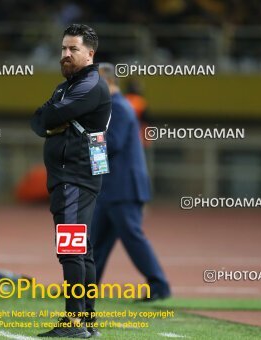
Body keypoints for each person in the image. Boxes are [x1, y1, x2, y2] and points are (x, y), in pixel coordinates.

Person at [31, 24, 111, 338]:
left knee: (71, 250)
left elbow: (46, 118)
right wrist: (49, 118)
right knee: (82, 249)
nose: (66, 54)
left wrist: (52, 119)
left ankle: (74, 322)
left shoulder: (90, 86)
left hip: (74, 178)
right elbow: (38, 120)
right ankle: (87, 321)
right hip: (72, 177)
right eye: (63, 49)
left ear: (90, 53)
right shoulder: (67, 87)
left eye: (73, 49)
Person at [91, 63, 171, 301]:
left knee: (132, 238)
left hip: (123, 188)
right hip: (111, 188)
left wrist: (87, 142)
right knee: (95, 242)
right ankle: (81, 286)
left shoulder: (119, 108)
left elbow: (111, 144)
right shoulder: (113, 108)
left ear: (108, 82)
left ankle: (159, 285)